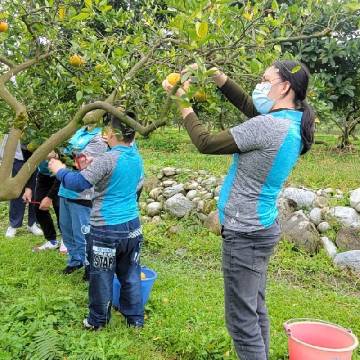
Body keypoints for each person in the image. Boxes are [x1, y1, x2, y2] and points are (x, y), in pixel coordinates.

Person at [162, 60, 315, 360]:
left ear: (284, 86)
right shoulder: (292, 121)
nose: (259, 85)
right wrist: (217, 76)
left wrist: (181, 100)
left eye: (264, 79)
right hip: (261, 228)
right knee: (254, 310)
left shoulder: (267, 126)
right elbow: (249, 105)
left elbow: (205, 142)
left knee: (241, 322)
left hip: (244, 233)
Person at [49, 113, 145, 330]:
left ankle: (97, 321)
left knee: (101, 277)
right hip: (132, 227)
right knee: (130, 274)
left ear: (113, 133)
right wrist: (94, 166)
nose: (105, 133)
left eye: (108, 129)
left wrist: (59, 170)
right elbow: (122, 178)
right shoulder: (135, 156)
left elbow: (78, 183)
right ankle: (135, 319)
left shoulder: (108, 159)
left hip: (106, 229)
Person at [57, 126, 108, 274]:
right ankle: (75, 261)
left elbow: (81, 163)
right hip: (65, 189)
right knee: (66, 230)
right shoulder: (79, 131)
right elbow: (67, 154)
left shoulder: (99, 137)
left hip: (82, 193)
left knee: (82, 233)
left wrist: (58, 160)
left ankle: (89, 266)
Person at [0, 135, 43, 238]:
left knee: (34, 191)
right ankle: (14, 224)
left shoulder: (35, 127)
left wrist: (29, 188)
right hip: (17, 159)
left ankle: (32, 223)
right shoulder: (13, 126)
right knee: (17, 192)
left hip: (33, 157)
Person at [22, 156, 63, 252]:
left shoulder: (58, 146)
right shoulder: (29, 145)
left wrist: (49, 197)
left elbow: (63, 169)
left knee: (60, 207)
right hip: (43, 175)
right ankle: (52, 240)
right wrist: (28, 188)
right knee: (39, 207)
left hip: (60, 175)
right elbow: (29, 166)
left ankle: (66, 240)